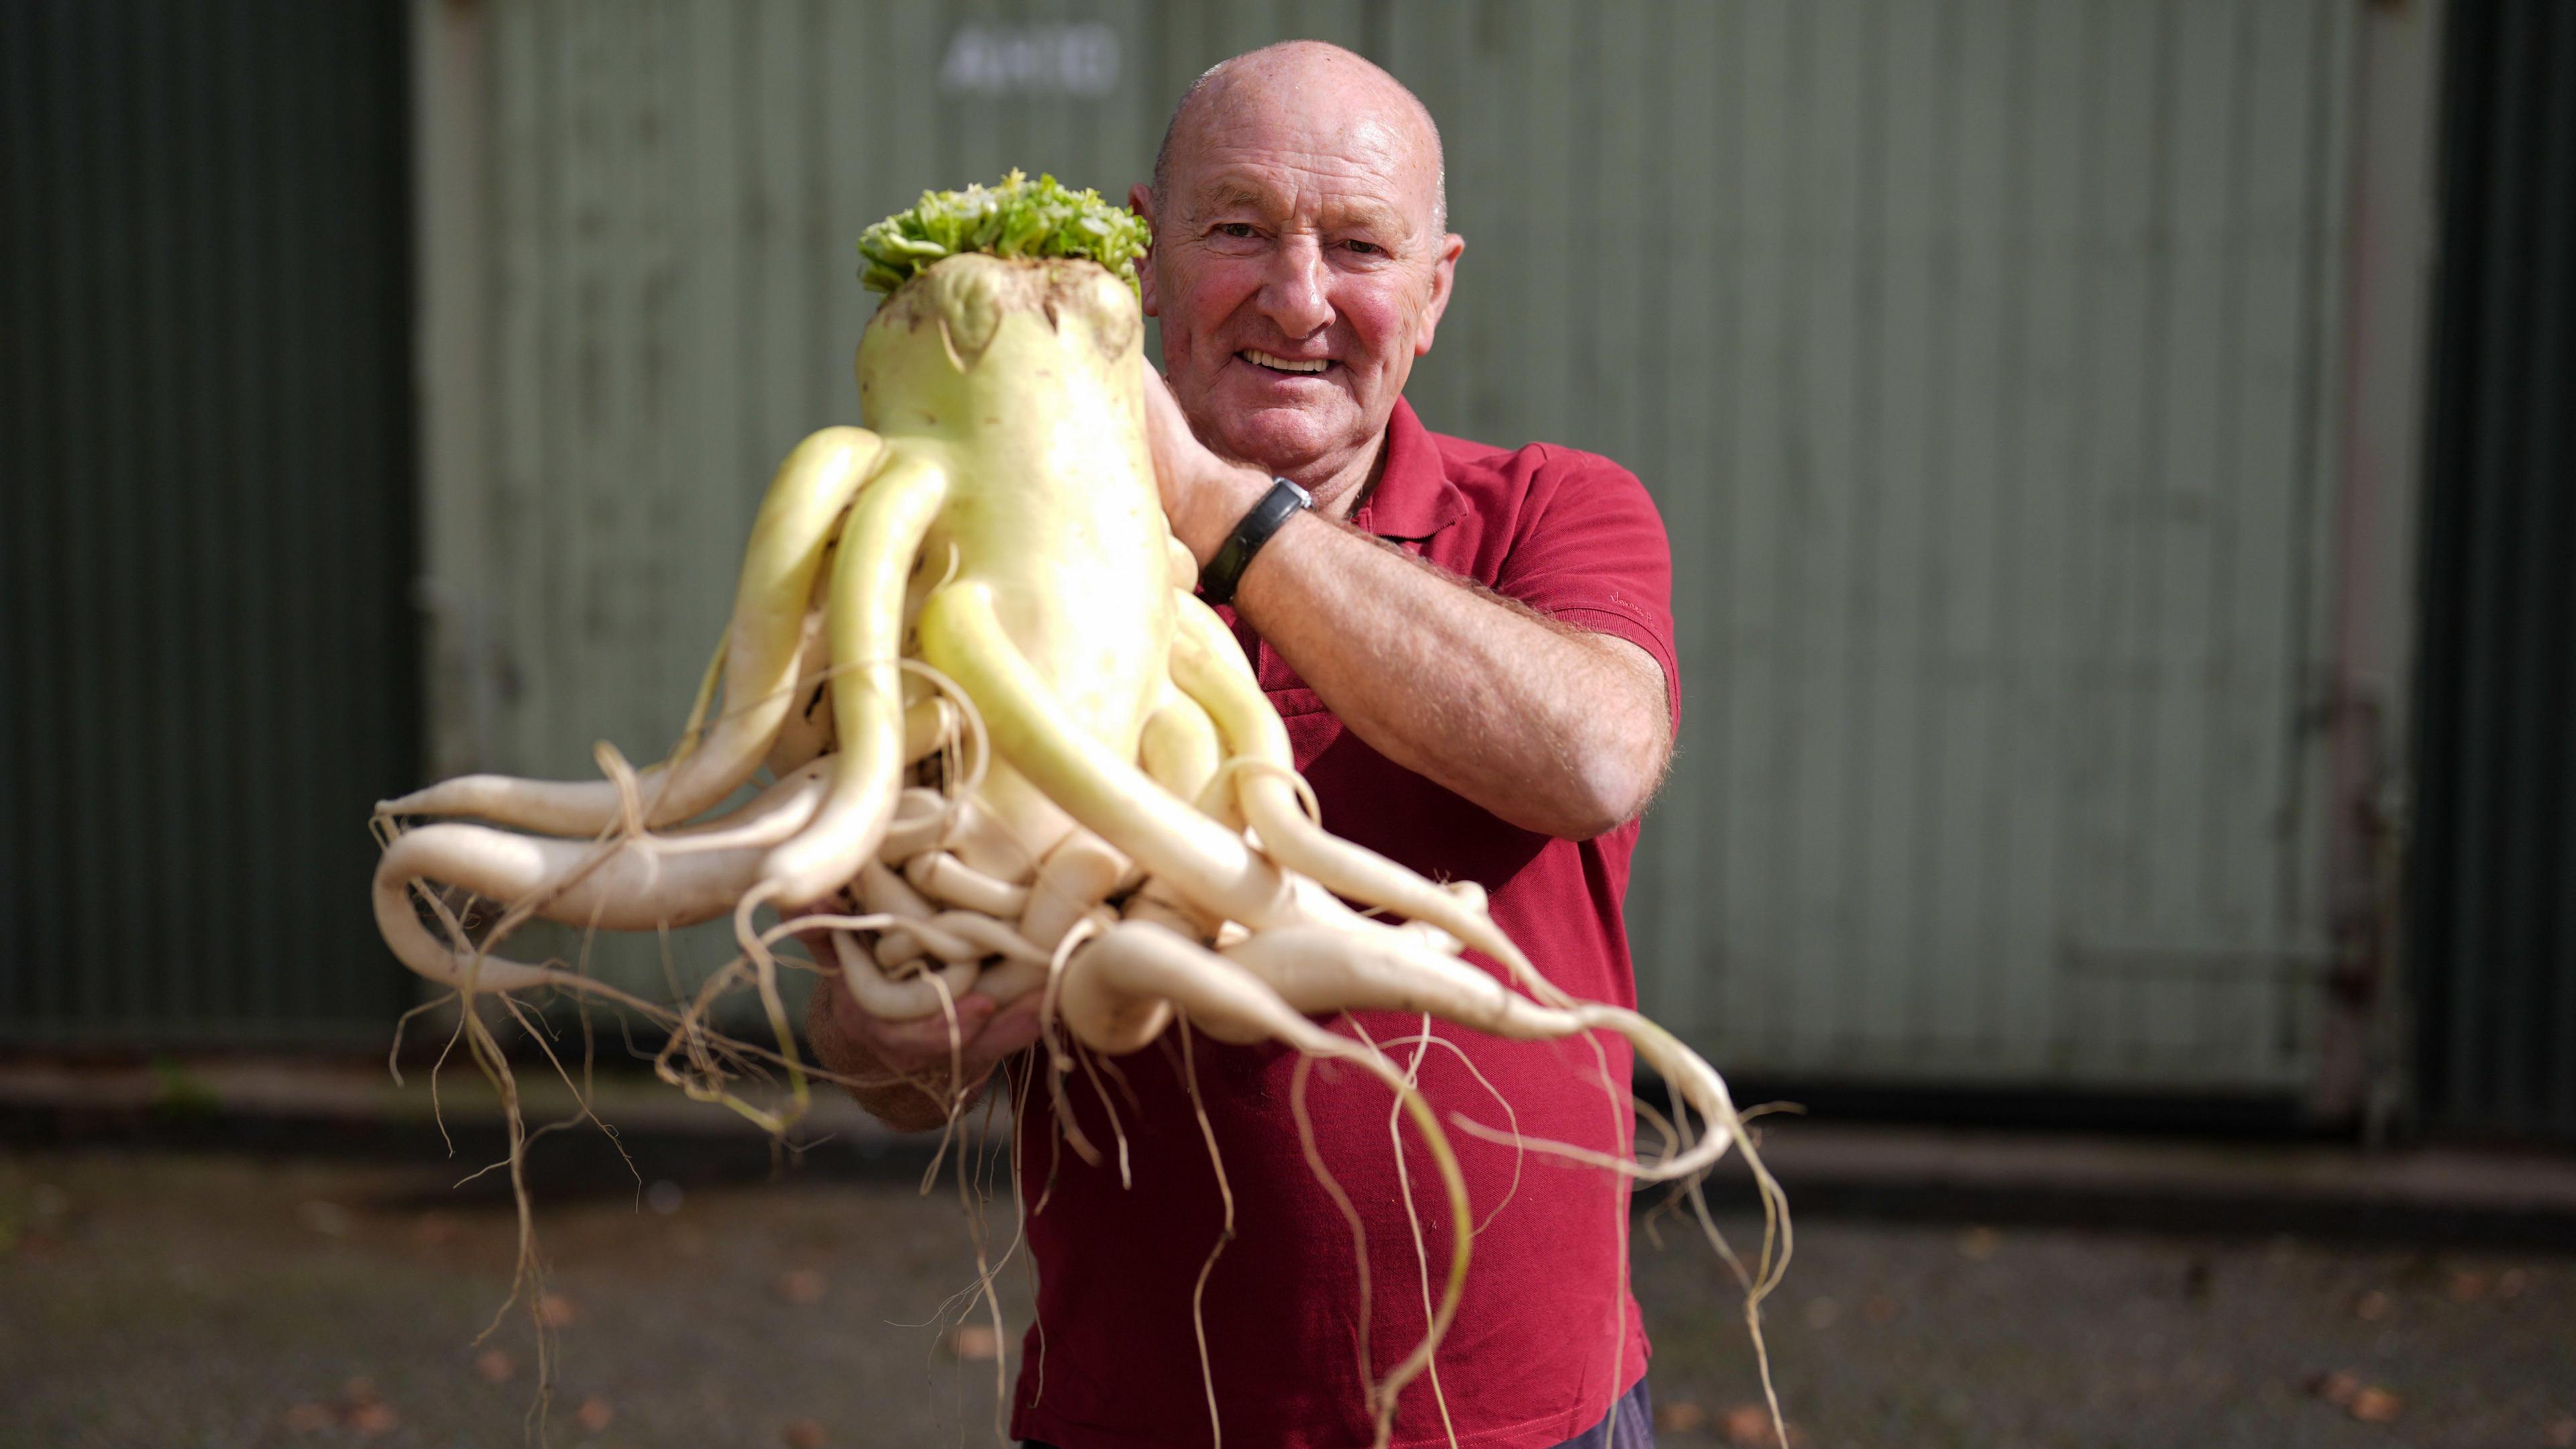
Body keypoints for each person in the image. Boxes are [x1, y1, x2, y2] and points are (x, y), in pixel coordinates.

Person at [806, 40, 1676, 1449]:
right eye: (1239, 230)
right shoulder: (956, 589)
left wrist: (1215, 504)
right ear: (1142, 252)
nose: (1298, 297)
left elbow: (1592, 759)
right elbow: (879, 1068)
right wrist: (915, 1025)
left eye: (1358, 246)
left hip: (1530, 1425)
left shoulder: (1548, 513)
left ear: (1437, 289)